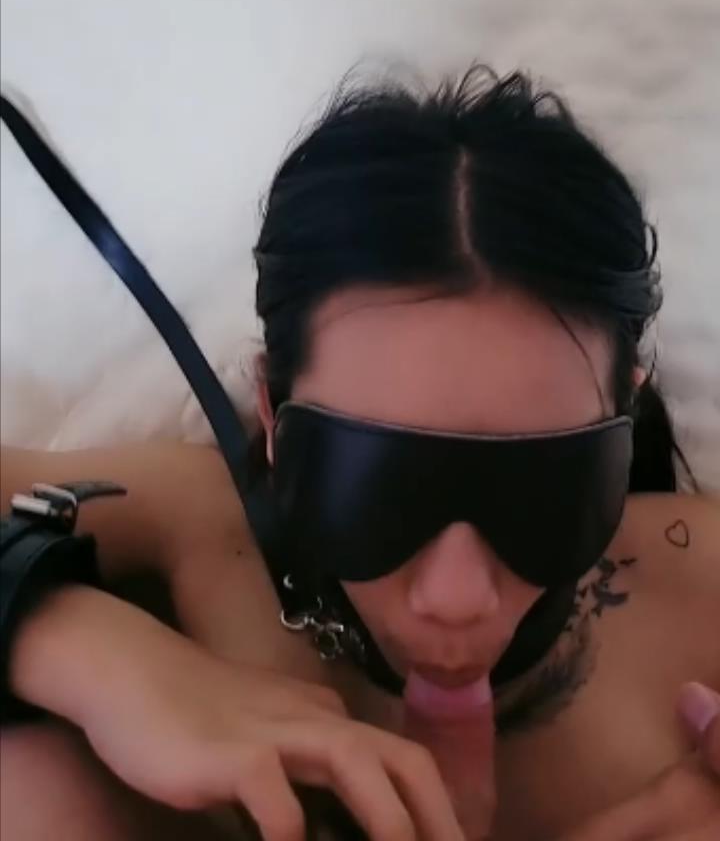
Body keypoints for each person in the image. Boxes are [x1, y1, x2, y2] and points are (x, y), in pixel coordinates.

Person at [1, 67, 719, 841]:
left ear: (625, 411)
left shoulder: (702, 586)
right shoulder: (212, 528)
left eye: (544, 489)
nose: (455, 597)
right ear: (273, 413)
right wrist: (93, 656)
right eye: (376, 486)